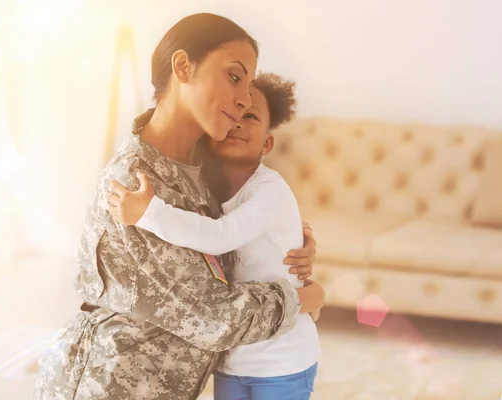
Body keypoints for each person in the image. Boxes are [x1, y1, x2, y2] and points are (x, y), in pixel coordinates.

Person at [33, 13, 323, 400]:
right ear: (184, 66)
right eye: (234, 77)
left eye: (249, 85)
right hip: (110, 385)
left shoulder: (204, 166)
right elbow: (213, 317)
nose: (243, 99)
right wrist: (305, 298)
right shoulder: (136, 184)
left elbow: (231, 239)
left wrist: (292, 244)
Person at [107, 72, 322, 400]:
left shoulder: (271, 190)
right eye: (234, 114)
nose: (238, 121)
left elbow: (221, 236)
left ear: (267, 143)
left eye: (250, 116)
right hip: (232, 361)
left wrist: (149, 212)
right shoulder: (204, 190)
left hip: (283, 360)